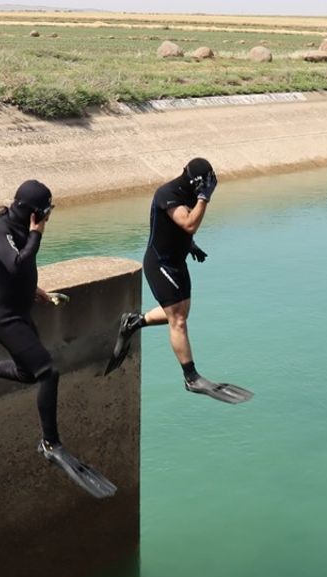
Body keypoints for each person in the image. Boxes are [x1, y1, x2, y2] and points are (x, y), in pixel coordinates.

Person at [0, 179, 116, 499]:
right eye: (45, 213)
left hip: (20, 315)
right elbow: (15, 265)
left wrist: (38, 292)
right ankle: (50, 443)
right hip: (5, 320)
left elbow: (20, 273)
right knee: (48, 373)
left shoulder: (21, 228)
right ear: (32, 212)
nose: (47, 219)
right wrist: (37, 234)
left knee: (28, 373)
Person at [104, 157, 253, 404]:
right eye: (204, 185)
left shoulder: (190, 194)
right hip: (160, 263)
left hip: (177, 262)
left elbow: (176, 227)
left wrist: (190, 245)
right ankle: (191, 377)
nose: (207, 188)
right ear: (196, 182)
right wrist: (204, 198)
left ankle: (134, 322)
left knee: (180, 313)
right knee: (178, 320)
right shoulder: (168, 194)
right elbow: (188, 223)